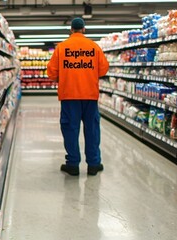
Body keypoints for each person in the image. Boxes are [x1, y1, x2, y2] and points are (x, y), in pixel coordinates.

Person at [46, 18, 109, 176]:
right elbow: (103, 70)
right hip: (90, 95)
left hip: (69, 96)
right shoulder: (94, 47)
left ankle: (73, 164)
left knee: (70, 129)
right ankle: (94, 164)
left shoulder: (62, 47)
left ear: (71, 30)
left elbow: (51, 73)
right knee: (92, 129)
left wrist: (65, 76)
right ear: (84, 30)